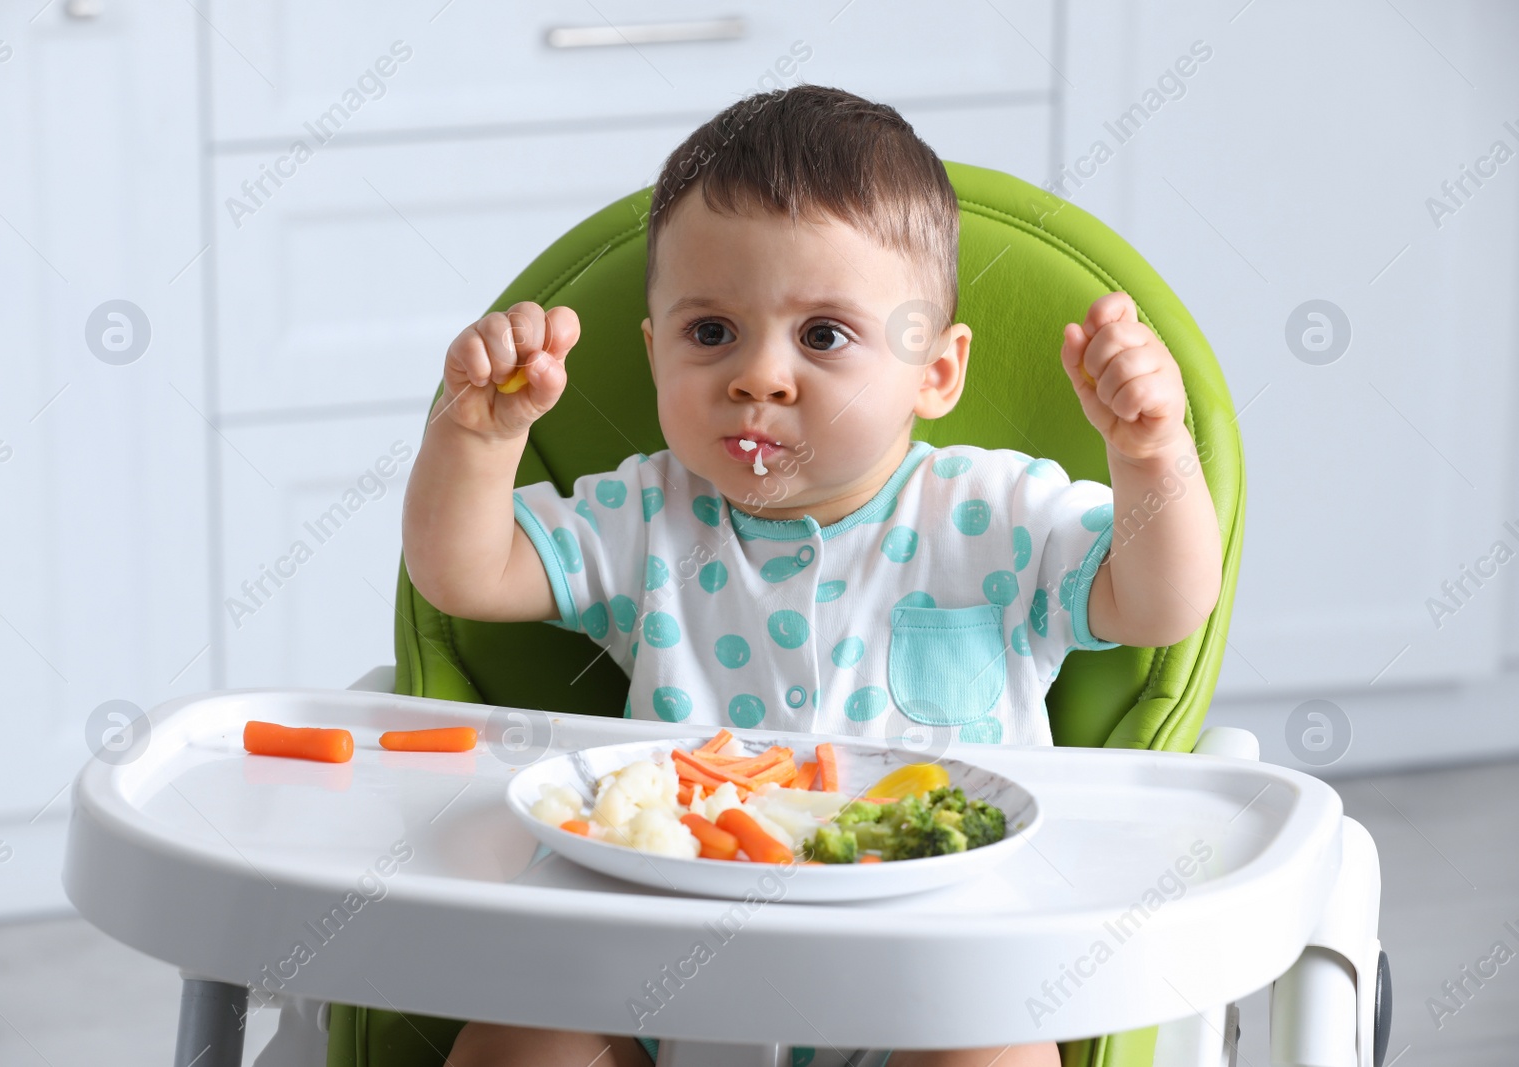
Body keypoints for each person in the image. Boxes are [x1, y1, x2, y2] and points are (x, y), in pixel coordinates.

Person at [403, 84, 1222, 1067]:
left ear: (936, 373)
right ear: (653, 349)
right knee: (523, 1039)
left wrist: (1148, 452)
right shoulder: (647, 517)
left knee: (995, 1052)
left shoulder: (997, 517)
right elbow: (466, 574)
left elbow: (1163, 602)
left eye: (824, 335)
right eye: (709, 332)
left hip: (936, 980)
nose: (758, 375)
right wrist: (477, 436)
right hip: (663, 982)